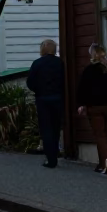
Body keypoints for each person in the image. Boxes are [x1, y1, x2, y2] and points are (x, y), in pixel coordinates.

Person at [77, 43, 107, 175]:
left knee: (99, 134)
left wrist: (81, 104)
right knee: (103, 134)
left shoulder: (89, 70)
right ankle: (101, 163)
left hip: (95, 107)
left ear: (92, 54)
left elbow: (82, 89)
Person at [26, 39, 66, 168]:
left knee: (46, 129)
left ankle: (51, 159)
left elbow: (30, 82)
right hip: (58, 98)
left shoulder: (37, 63)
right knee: (55, 128)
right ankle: (56, 152)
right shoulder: (60, 63)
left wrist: (38, 90)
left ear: (43, 49)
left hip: (43, 99)